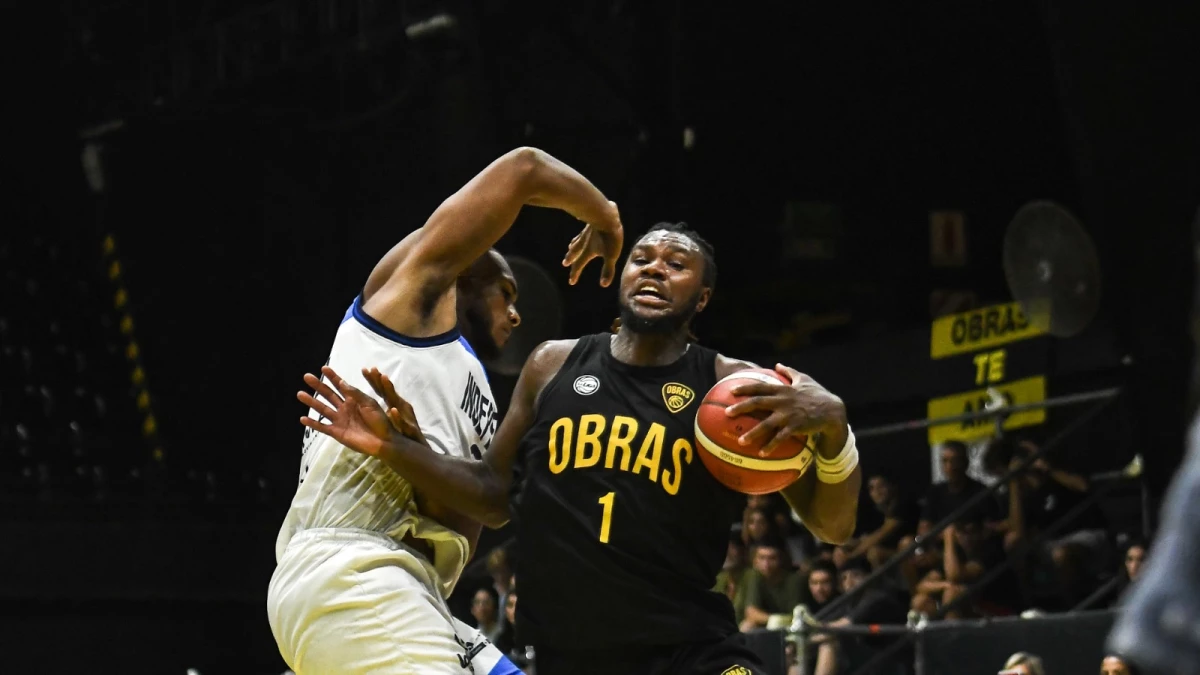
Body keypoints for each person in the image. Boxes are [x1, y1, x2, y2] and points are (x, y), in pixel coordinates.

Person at [300, 221, 861, 674]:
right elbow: (493, 495)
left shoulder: (730, 386)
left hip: (687, 648)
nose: (655, 270)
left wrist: (834, 429)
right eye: (643, 258)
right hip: (569, 655)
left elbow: (832, 526)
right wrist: (392, 447)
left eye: (676, 264)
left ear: (703, 296)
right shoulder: (552, 364)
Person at [270, 147, 623, 674]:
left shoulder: (475, 386)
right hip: (353, 571)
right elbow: (524, 169)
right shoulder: (404, 308)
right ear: (464, 279)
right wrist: (603, 213)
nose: (516, 312)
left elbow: (475, 515)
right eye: (506, 293)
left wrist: (410, 454)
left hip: (414, 586)